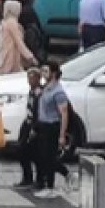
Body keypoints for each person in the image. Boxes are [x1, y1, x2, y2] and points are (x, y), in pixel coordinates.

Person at [34, 61, 72, 198]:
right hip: (43, 125)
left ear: (54, 73)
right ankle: (64, 175)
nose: (43, 74)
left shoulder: (58, 92)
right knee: (43, 156)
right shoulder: (46, 88)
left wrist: (62, 134)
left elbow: (64, 113)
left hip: (52, 126)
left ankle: (50, 186)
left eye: (46, 71)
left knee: (49, 157)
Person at [0, 0, 36, 75]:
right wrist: (30, 57)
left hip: (7, 53)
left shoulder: (5, 21)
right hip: (11, 55)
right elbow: (19, 42)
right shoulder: (12, 22)